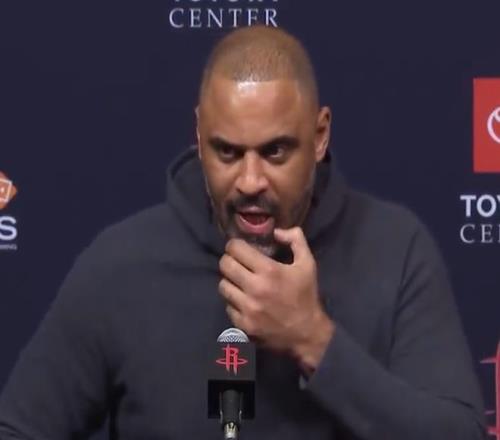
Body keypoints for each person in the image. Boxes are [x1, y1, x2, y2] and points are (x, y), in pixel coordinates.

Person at [0, 26, 486, 440]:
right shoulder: (120, 265)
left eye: (275, 152)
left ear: (320, 136)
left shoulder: (394, 249)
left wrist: (313, 339)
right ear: (199, 136)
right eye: (228, 153)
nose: (250, 181)